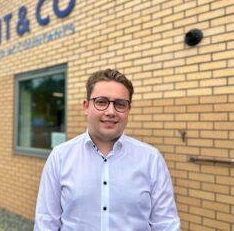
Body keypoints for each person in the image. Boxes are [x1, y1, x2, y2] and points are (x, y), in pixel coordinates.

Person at [34, 69, 180, 231]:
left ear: (128, 109)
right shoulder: (60, 157)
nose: (111, 112)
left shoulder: (151, 159)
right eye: (101, 102)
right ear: (86, 106)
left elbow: (165, 224)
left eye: (120, 104)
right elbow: (46, 222)